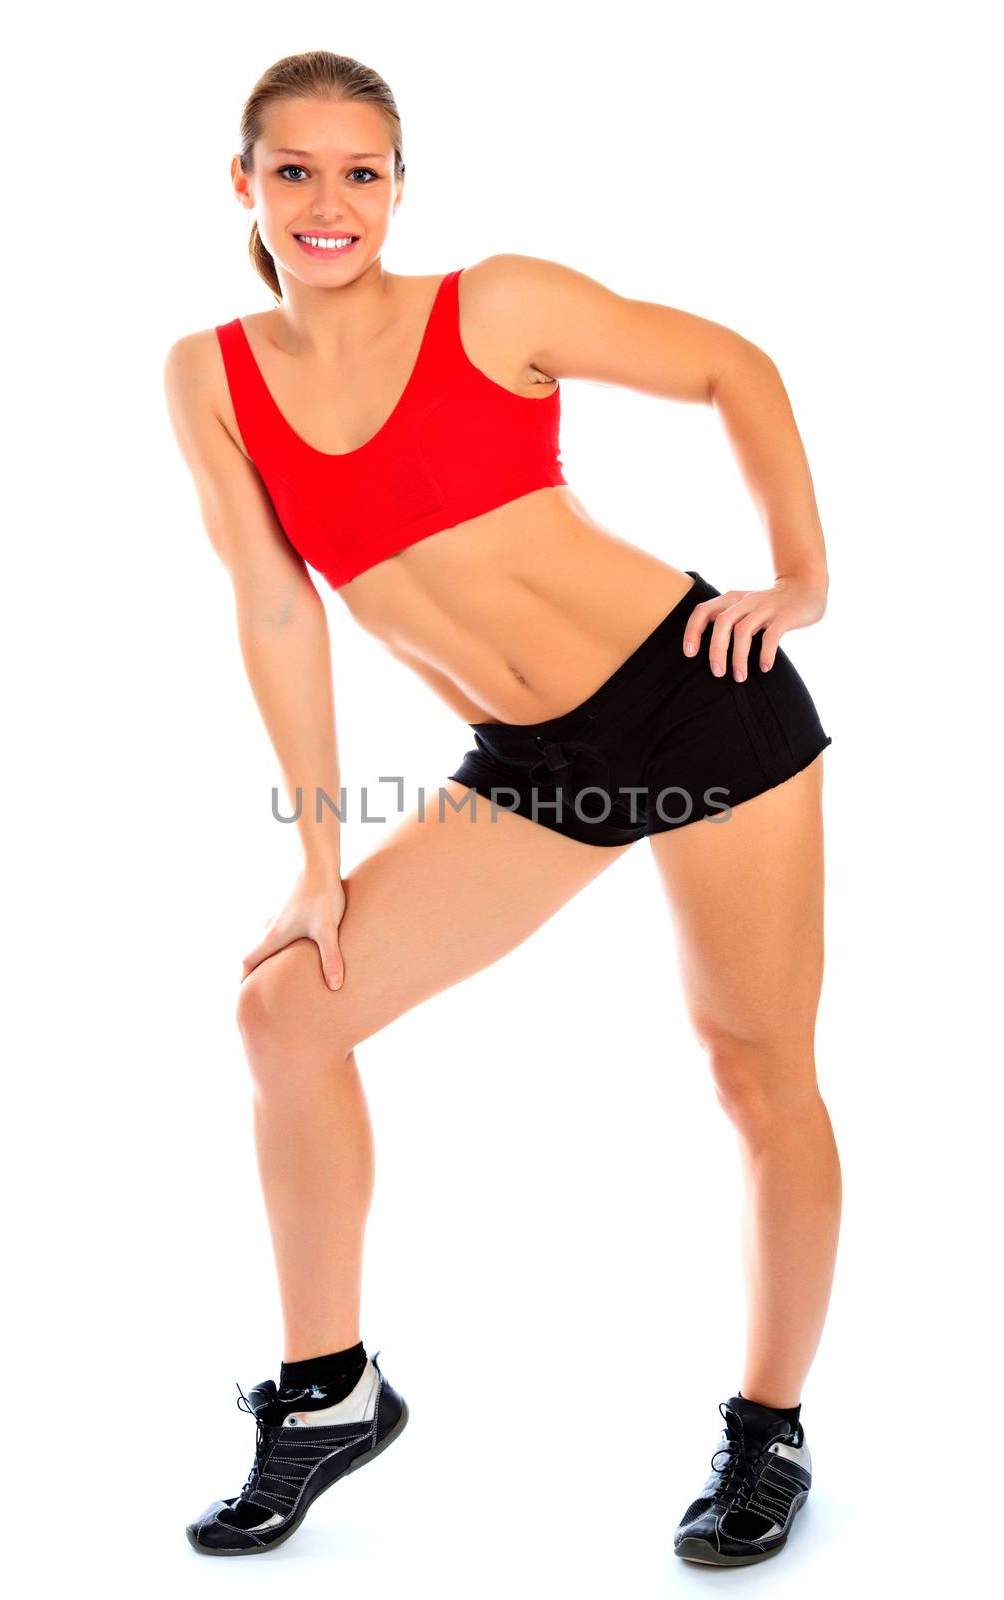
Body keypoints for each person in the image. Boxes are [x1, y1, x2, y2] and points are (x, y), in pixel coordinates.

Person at [163, 48, 839, 1567]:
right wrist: (320, 867)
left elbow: (733, 363)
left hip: (697, 701)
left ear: (398, 187)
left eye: (361, 173)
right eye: (296, 171)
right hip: (529, 766)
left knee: (752, 1073)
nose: (329, 204)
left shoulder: (496, 305)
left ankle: (765, 1434)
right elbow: (278, 613)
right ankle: (328, 1397)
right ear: (245, 184)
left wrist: (797, 579)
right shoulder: (210, 377)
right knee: (285, 1014)